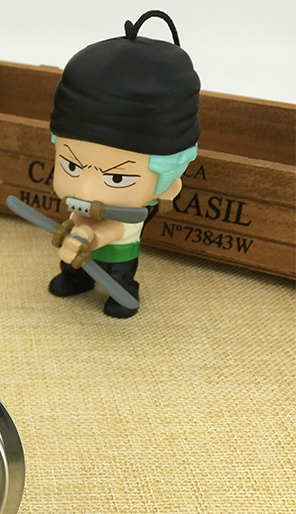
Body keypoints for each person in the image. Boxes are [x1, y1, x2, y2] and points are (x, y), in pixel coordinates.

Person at [48, 10, 200, 318]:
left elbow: (114, 229)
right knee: (72, 265)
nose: (86, 191)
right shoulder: (86, 202)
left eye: (117, 178)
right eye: (71, 167)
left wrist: (89, 237)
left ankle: (125, 291)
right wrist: (72, 228)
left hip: (119, 251)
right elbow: (81, 218)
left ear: (166, 181)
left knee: (119, 275)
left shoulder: (127, 213)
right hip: (81, 242)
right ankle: (76, 278)